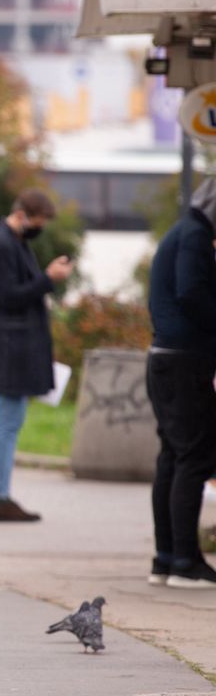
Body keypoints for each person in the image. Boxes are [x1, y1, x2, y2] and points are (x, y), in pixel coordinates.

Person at [0, 188, 72, 523]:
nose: (40, 227)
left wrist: (43, 277)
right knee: (5, 421)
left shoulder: (14, 243)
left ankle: (1, 494)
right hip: (8, 345)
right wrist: (47, 279)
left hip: (13, 344)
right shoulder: (1, 245)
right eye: (40, 221)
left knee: (10, 420)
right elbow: (9, 296)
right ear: (24, 215)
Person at [145, 177, 216, 589]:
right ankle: (185, 561)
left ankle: (167, 558)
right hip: (185, 359)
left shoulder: (183, 231)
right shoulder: (195, 236)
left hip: (165, 359)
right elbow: (192, 293)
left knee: (173, 456)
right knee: (194, 456)